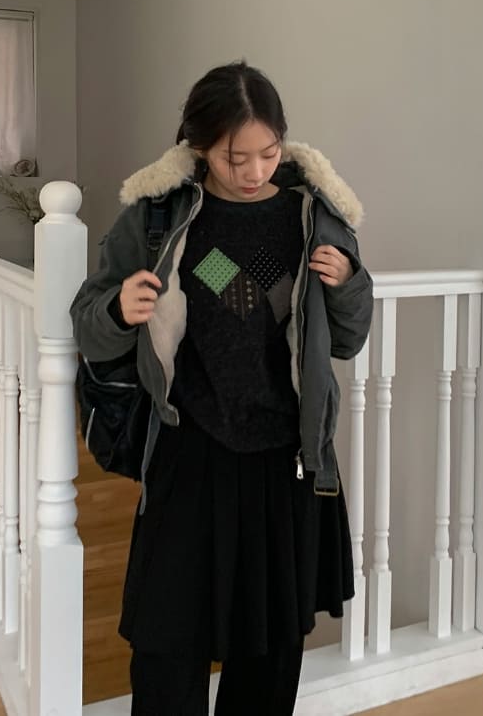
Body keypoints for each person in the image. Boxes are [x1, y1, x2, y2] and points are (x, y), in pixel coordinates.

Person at [70, 61, 374, 715]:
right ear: (200, 144)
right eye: (237, 157)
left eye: (269, 152)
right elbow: (87, 322)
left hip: (286, 461)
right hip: (190, 451)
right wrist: (119, 309)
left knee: (267, 654)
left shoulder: (312, 216)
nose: (255, 170)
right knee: (166, 644)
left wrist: (348, 284)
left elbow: (347, 340)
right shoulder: (160, 217)